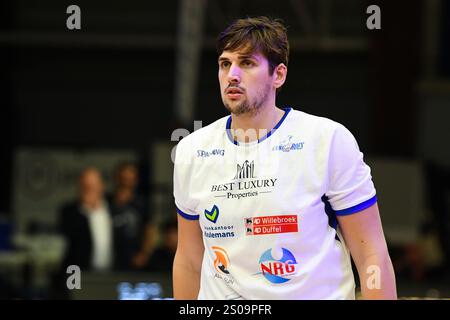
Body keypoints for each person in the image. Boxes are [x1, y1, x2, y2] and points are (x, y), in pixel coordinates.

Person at [172, 16, 397, 300]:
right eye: (225, 64)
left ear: (278, 75)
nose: (232, 75)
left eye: (247, 63)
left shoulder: (327, 140)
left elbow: (371, 253)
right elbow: (189, 260)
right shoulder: (192, 150)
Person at [59, 167, 113, 271]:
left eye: (91, 187)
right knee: (74, 287)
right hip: (76, 272)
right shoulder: (70, 212)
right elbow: (70, 240)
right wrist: (86, 209)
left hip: (111, 275)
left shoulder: (113, 210)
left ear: (101, 187)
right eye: (84, 187)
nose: (88, 191)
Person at [108, 162, 157, 270]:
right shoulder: (106, 202)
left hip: (134, 258)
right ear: (116, 178)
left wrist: (144, 254)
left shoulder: (142, 203)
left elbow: (150, 230)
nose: (126, 182)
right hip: (109, 256)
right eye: (123, 178)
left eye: (129, 179)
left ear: (135, 180)